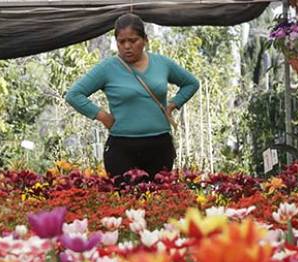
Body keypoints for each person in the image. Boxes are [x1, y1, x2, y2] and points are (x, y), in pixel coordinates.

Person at [65, 13, 199, 183]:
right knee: (126, 204)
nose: (127, 46)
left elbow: (191, 83)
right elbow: (74, 94)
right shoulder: (108, 68)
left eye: (133, 40)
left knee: (159, 201)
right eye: (121, 42)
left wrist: (173, 105)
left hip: (159, 145)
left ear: (145, 39)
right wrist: (103, 117)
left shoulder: (162, 63)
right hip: (122, 149)